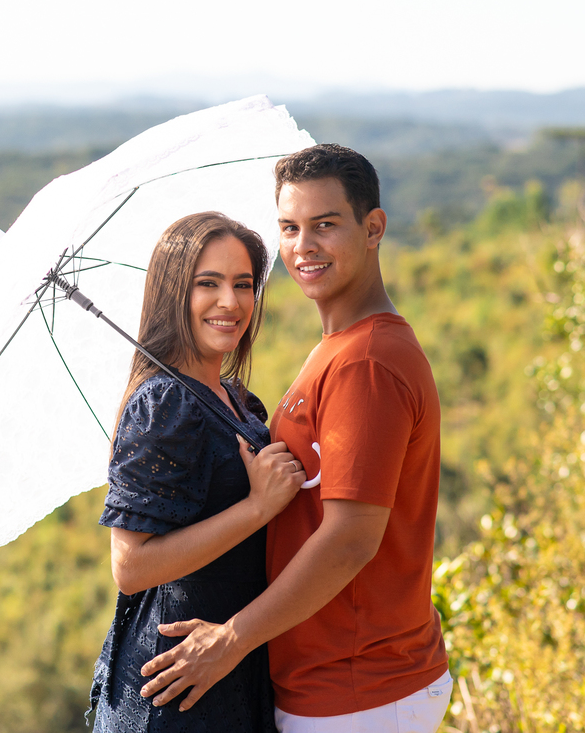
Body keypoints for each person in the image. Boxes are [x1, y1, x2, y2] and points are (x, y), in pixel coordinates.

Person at [137, 145, 451, 732]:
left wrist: (231, 639)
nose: (303, 246)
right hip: (338, 683)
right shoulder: (338, 348)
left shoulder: (366, 361)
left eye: (324, 225)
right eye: (289, 228)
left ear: (373, 228)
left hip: (357, 689)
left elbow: (350, 539)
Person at [90, 211, 308, 733]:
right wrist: (257, 507)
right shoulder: (164, 403)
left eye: (243, 284)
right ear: (173, 293)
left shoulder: (234, 398)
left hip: (229, 661)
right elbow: (131, 567)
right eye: (207, 284)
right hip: (176, 687)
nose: (230, 301)